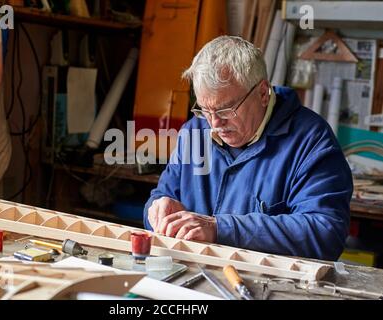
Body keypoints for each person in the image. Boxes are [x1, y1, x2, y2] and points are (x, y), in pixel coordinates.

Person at [143, 36, 353, 261]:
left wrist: (220, 228)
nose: (214, 124)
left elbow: (325, 231)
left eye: (226, 110)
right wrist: (157, 209)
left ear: (263, 93)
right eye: (204, 110)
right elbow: (162, 195)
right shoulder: (195, 132)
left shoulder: (311, 141)